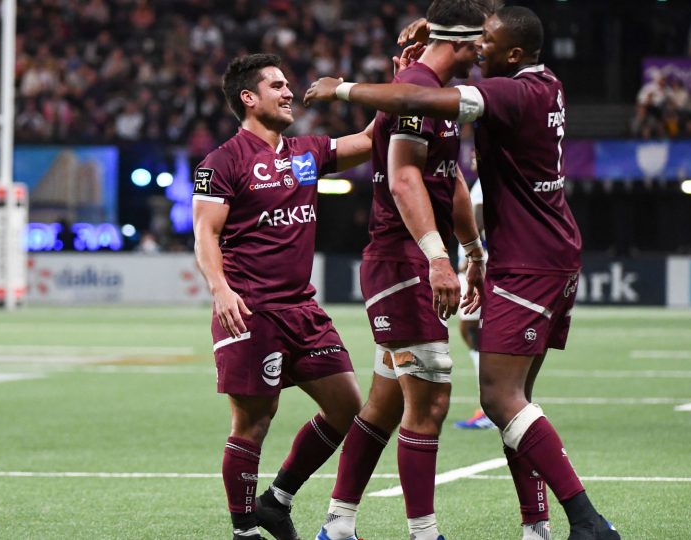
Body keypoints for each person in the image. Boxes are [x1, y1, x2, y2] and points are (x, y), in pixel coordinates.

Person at [304, 6, 620, 540]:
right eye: (474, 41)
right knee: (489, 400)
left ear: (512, 53)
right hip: (522, 256)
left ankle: (585, 523)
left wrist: (342, 88)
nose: (480, 49)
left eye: (487, 43)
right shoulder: (543, 84)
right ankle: (532, 528)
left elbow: (420, 105)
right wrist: (468, 253)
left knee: (499, 398)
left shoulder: (504, 93)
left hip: (527, 261)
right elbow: (421, 161)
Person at [316, 2, 486, 540]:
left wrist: (473, 251)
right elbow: (404, 178)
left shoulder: (427, 92)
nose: (483, 55)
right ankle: (424, 533)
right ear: (458, 43)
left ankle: (338, 525)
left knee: (385, 406)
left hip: (409, 257)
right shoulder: (415, 92)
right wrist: (440, 258)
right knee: (432, 400)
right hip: (403, 259)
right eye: (478, 45)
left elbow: (448, 178)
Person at [193, 53, 374, 540]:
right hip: (251, 311)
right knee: (254, 420)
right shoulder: (221, 162)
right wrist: (221, 289)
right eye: (277, 85)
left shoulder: (305, 153)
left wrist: (404, 80)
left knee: (347, 408)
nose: (289, 91)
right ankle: (244, 529)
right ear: (249, 99)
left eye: (288, 84)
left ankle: (278, 499)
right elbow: (205, 234)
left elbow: (373, 141)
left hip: (302, 308)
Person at [452, 173, 495, 430]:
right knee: (471, 330)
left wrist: (473, 256)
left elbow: (478, 220)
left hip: (476, 262)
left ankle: (490, 407)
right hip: (479, 260)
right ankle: (492, 403)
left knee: (475, 330)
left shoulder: (481, 185)